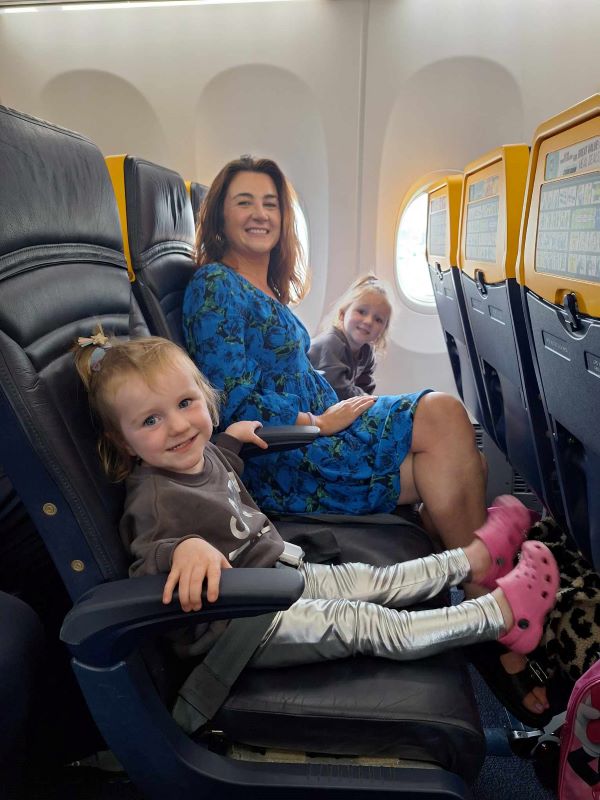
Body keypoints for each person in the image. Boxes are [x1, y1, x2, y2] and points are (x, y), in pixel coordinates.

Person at [73, 332, 559, 669]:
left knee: (375, 580)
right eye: (150, 421)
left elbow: (218, 466)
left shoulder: (202, 452)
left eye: (185, 404)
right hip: (241, 626)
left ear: (204, 399)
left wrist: (236, 438)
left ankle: (474, 558)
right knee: (368, 623)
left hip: (277, 573)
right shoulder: (153, 497)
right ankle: (498, 615)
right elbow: (149, 553)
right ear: (123, 441)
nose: (178, 426)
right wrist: (183, 550)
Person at [182, 155, 486, 562]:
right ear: (220, 215)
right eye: (244, 202)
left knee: (470, 461)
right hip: (285, 453)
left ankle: (466, 581)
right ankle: (485, 589)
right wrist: (317, 421)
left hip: (321, 429)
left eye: (270, 204)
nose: (260, 214)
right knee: (446, 416)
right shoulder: (215, 285)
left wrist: (335, 412)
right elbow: (230, 401)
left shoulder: (267, 285)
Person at [308, 273, 392, 400]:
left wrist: (368, 401)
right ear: (342, 314)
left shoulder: (367, 352)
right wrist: (368, 401)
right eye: (361, 312)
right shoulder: (332, 344)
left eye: (378, 319)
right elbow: (336, 390)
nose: (368, 321)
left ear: (382, 331)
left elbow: (365, 386)